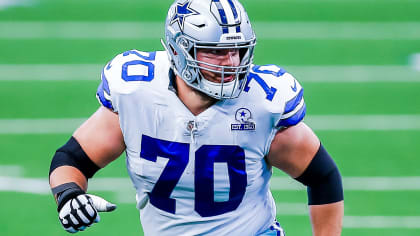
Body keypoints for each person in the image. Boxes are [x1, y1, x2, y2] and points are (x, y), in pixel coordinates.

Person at [49, 0, 344, 235]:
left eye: (237, 51)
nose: (231, 63)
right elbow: (71, 160)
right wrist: (69, 195)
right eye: (216, 52)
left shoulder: (262, 104)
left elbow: (323, 176)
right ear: (179, 50)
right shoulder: (137, 93)